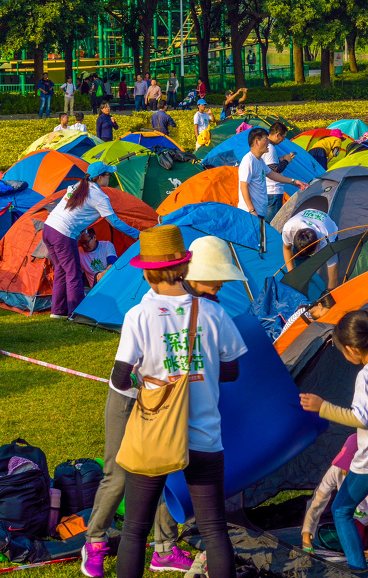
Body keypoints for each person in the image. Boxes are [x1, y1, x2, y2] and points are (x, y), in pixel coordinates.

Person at [106, 226, 248, 578]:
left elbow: (120, 379)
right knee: (215, 531)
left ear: (147, 272)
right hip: (204, 436)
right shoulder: (214, 313)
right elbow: (232, 372)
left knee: (136, 530)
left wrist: (150, 385)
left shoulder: (139, 316)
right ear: (185, 268)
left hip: (154, 434)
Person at [81, 233, 210, 578]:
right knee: (121, 473)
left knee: (169, 469)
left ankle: (164, 549)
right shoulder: (140, 313)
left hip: (172, 401)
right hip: (131, 400)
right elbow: (122, 376)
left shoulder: (198, 308)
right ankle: (94, 541)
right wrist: (148, 393)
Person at [298, 311, 368, 578]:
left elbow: (361, 417)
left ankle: (357, 572)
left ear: (351, 349)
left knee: (341, 510)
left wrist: (322, 407)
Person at [42, 162, 139, 321]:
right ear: (100, 177)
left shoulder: (79, 185)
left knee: (61, 270)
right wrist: (138, 233)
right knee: (74, 274)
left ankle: (58, 311)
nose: (110, 177)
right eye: (108, 175)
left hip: (48, 229)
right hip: (63, 234)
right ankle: (76, 314)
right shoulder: (99, 196)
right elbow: (114, 222)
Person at [301, 434, 368, 557]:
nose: (345, 468)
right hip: (358, 517)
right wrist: (306, 537)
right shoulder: (337, 469)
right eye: (345, 461)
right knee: (354, 551)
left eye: (350, 464)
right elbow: (319, 498)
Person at [238, 128, 307, 222]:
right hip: (251, 213)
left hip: (260, 211)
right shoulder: (248, 161)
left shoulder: (259, 160)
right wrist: (252, 210)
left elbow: (272, 174)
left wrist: (293, 181)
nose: (268, 144)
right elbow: (244, 187)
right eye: (266, 140)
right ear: (257, 142)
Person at [282, 208, 341, 289]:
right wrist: (292, 275)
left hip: (327, 224)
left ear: (318, 243)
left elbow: (334, 280)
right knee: (300, 271)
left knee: (326, 272)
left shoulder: (328, 243)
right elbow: (287, 249)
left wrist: (329, 295)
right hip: (304, 217)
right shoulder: (288, 229)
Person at [262, 122, 298, 222]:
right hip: (273, 190)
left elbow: (267, 166)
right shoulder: (270, 148)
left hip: (265, 189)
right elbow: (274, 170)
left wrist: (279, 160)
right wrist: (287, 161)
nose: (283, 140)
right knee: (272, 223)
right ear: (277, 134)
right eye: (283, 137)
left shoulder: (264, 146)